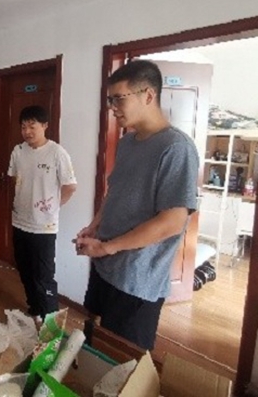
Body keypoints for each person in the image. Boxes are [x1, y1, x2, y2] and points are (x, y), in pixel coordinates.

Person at [74, 60, 199, 350]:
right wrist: (95, 227)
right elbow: (116, 192)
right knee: (93, 344)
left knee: (122, 359)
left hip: (137, 278)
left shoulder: (176, 148)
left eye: (119, 98)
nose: (113, 107)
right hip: (105, 266)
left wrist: (108, 247)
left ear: (148, 95)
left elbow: (172, 222)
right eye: (110, 100)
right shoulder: (128, 142)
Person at [8, 105, 77, 322]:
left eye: (32, 126)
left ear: (45, 126)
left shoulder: (57, 153)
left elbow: (70, 187)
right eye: (23, 127)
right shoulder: (18, 151)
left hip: (44, 227)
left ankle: (50, 321)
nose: (27, 131)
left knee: (44, 276)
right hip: (19, 221)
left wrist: (53, 207)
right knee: (25, 269)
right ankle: (35, 308)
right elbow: (15, 179)